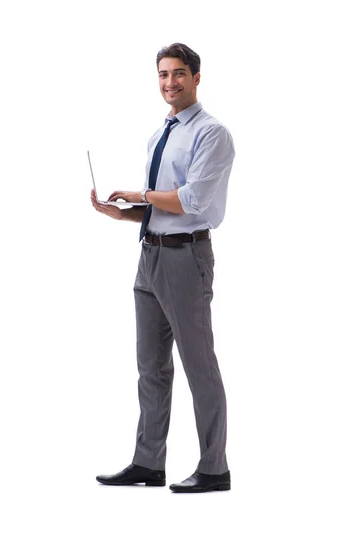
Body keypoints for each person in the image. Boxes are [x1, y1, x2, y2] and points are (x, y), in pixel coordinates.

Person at [91, 43, 235, 493]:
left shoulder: (212, 134)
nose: (169, 82)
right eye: (162, 75)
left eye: (178, 74)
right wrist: (127, 214)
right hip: (149, 255)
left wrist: (141, 196)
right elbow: (162, 206)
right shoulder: (161, 133)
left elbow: (192, 200)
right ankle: (148, 462)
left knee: (199, 365)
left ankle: (215, 468)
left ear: (196, 77)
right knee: (150, 366)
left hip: (185, 259)